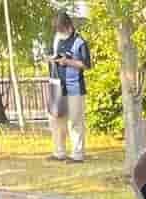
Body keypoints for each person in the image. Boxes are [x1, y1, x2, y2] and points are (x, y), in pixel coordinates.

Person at [49, 11, 91, 164]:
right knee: (57, 119)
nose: (59, 32)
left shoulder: (80, 42)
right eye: (57, 30)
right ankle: (59, 152)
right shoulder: (56, 38)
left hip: (75, 87)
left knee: (75, 121)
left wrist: (67, 62)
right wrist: (52, 59)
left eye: (61, 29)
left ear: (68, 26)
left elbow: (86, 65)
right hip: (57, 85)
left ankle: (77, 155)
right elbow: (50, 54)